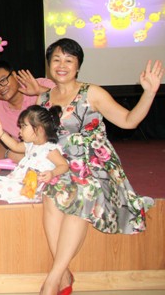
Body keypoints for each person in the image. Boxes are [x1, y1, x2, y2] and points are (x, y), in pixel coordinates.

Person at [28, 38, 163, 295]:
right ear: (49, 65)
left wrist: (149, 93)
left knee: (82, 193)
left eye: (69, 60)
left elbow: (128, 121)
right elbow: (40, 138)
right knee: (51, 197)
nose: (62, 65)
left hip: (93, 164)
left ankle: (52, 281)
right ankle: (64, 274)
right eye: (56, 59)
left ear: (78, 65)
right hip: (60, 163)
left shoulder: (92, 93)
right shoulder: (44, 98)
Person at [0, 60, 54, 162]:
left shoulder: (40, 84)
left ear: (14, 75)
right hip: (27, 158)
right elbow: (2, 142)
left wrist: (41, 91)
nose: (1, 88)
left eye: (3, 80)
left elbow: (68, 102)